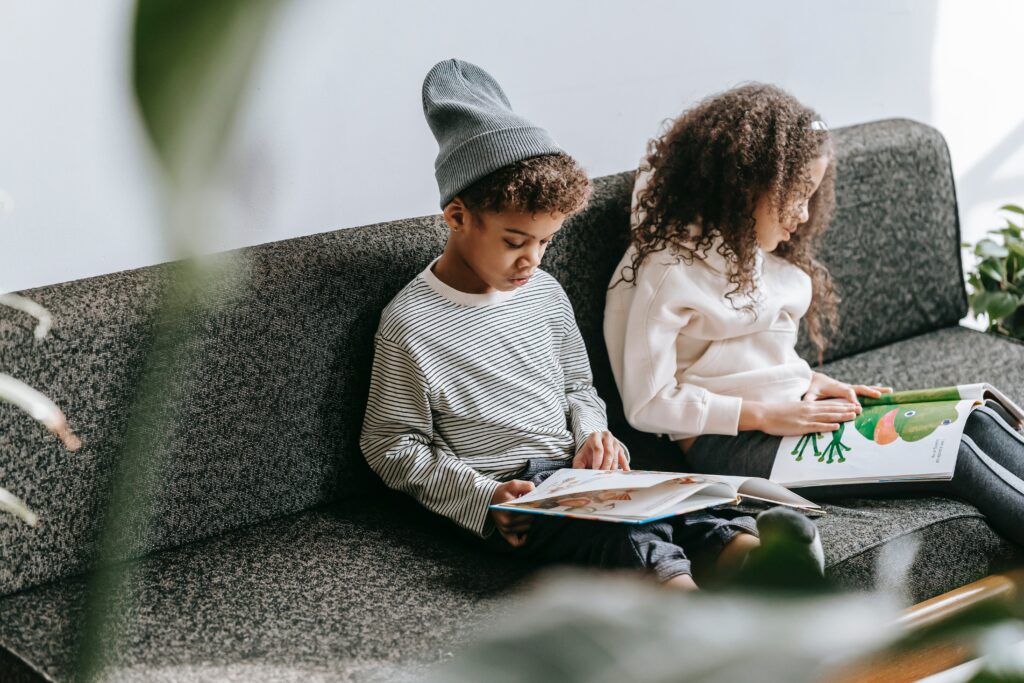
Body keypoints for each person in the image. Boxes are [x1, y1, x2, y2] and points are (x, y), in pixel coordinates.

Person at [361, 61, 823, 591]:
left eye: (545, 242)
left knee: (680, 505)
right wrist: (483, 496)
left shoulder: (544, 292)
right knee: (622, 538)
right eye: (515, 241)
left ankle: (764, 565)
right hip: (507, 499)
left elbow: (579, 388)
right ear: (458, 218)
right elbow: (392, 446)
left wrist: (593, 436)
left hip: (577, 474)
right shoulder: (411, 321)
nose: (531, 260)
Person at [604, 83, 1024, 545]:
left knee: (978, 420)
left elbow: (754, 360)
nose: (803, 215)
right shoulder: (664, 272)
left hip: (788, 415)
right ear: (745, 182)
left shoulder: (758, 257)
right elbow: (646, 404)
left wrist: (808, 383)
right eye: (796, 194)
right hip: (726, 445)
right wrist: (765, 413)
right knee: (953, 454)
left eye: (811, 195)